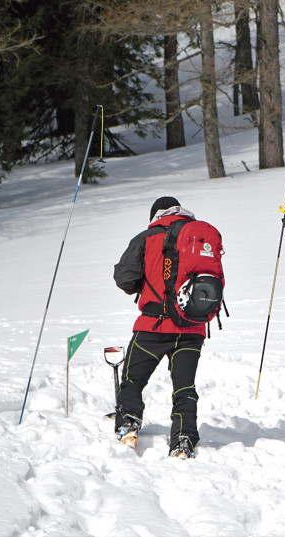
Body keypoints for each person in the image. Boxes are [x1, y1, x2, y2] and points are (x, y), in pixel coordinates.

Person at [112, 196, 209, 458]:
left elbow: (124, 279)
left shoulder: (146, 237)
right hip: (191, 329)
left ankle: (129, 424)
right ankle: (183, 439)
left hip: (152, 327)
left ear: (155, 215)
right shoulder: (199, 236)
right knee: (184, 386)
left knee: (132, 380)